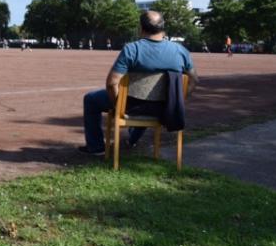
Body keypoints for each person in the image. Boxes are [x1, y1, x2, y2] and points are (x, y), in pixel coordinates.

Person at [79, 10, 198, 155]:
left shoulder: (132, 49)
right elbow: (193, 79)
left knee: (91, 99)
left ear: (141, 28)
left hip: (133, 105)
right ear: (163, 28)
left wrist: (118, 105)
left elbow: (112, 83)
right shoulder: (181, 51)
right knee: (149, 99)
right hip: (164, 107)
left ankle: (96, 147)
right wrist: (178, 101)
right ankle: (131, 139)